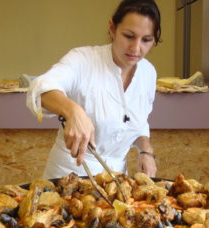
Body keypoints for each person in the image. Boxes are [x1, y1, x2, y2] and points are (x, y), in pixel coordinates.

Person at [27, 0, 161, 179]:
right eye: (129, 36)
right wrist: (73, 111)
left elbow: (136, 122)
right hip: (69, 174)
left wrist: (146, 149)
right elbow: (40, 88)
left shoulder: (148, 73)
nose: (136, 48)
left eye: (146, 40)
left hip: (115, 179)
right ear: (112, 29)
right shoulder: (83, 60)